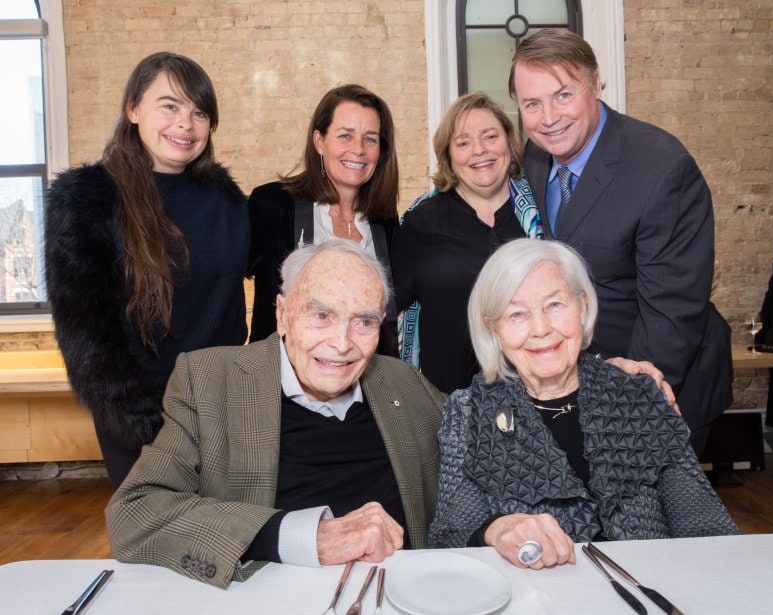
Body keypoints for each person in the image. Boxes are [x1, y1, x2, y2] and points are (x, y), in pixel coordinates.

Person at [105, 240, 445, 589]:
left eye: (364, 322)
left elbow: (482, 457)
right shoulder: (210, 380)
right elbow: (135, 512)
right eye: (321, 315)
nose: (342, 343)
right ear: (282, 314)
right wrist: (306, 537)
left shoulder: (402, 382)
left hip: (399, 593)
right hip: (268, 596)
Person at [429, 239, 738, 568]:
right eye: (517, 313)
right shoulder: (470, 412)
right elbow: (451, 536)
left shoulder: (637, 396)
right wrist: (495, 529)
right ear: (494, 329)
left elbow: (706, 528)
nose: (541, 329)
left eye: (554, 305)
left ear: (583, 307)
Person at [510, 29, 733, 454]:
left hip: (658, 386)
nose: (549, 117)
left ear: (596, 84)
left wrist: (618, 407)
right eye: (531, 104)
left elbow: (671, 315)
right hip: (586, 381)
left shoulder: (662, 168)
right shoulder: (537, 155)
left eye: (563, 95)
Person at [45, 52, 249, 488]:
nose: (185, 124)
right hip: (139, 421)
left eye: (198, 112)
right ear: (133, 109)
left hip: (224, 409)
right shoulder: (87, 199)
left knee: (231, 542)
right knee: (154, 546)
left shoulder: (227, 199)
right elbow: (86, 335)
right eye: (169, 106)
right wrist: (148, 427)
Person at [391, 92, 541, 393]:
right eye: (463, 142)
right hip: (449, 404)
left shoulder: (545, 213)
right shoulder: (420, 223)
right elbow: (388, 307)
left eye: (490, 136)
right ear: (447, 156)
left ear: (509, 144)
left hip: (538, 396)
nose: (479, 151)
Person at [248, 84, 400, 357]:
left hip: (367, 381)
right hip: (282, 384)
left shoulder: (384, 221)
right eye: (345, 136)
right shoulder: (272, 205)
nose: (358, 150)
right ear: (319, 141)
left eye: (370, 139)